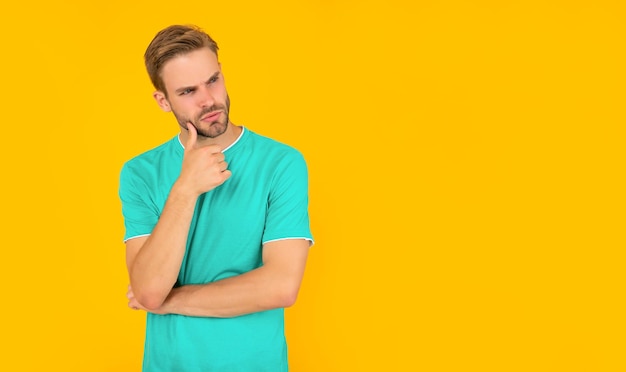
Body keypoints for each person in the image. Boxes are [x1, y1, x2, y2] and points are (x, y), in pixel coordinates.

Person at [118, 24, 313, 371]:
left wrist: (169, 301)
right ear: (163, 100)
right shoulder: (140, 174)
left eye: (213, 80)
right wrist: (185, 188)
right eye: (188, 91)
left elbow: (281, 286)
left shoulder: (281, 163)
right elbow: (148, 289)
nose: (208, 99)